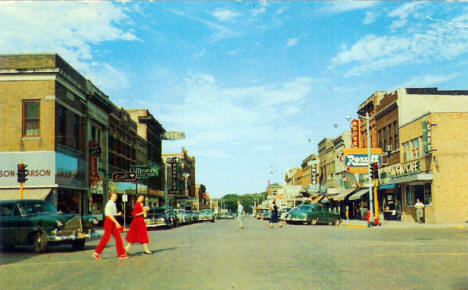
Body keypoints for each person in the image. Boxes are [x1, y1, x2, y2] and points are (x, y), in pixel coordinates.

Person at [93, 193, 128, 260]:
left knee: (118, 237)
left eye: (116, 196)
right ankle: (96, 252)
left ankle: (121, 254)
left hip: (112, 221)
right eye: (114, 196)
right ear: (110, 196)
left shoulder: (113, 203)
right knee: (106, 238)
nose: (115, 197)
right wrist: (116, 223)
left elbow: (112, 214)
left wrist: (117, 214)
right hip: (109, 222)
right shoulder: (109, 204)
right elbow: (108, 215)